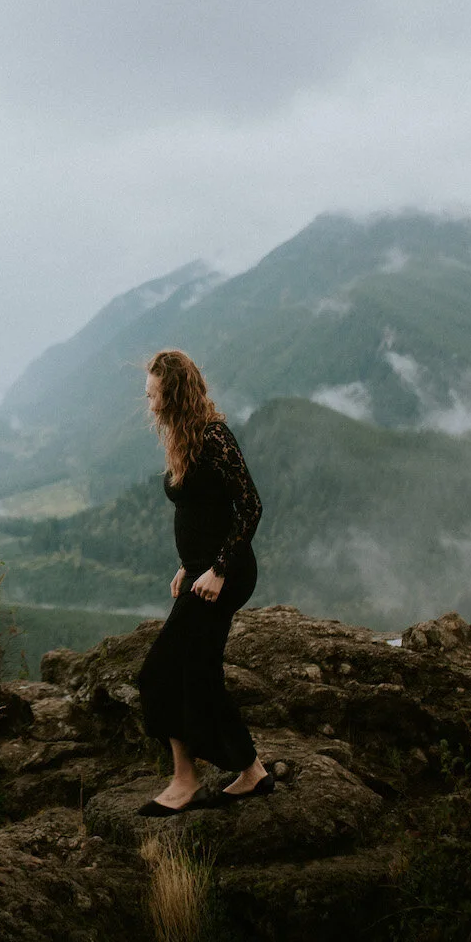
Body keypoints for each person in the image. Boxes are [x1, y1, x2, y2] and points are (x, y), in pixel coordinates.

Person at [135, 348, 272, 816]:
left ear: (171, 393)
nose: (147, 399)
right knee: (199, 674)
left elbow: (250, 507)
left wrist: (217, 569)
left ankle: (186, 778)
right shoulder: (182, 436)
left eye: (152, 392)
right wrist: (187, 563)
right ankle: (250, 772)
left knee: (160, 673)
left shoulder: (214, 437)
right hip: (200, 571)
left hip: (224, 575)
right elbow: (200, 511)